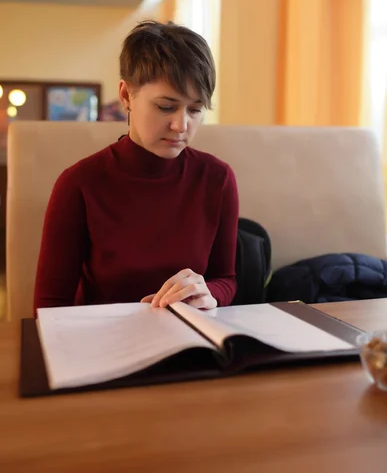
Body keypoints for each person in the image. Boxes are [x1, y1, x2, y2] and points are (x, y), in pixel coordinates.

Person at [33, 21, 239, 314]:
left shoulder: (217, 179)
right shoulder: (79, 184)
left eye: (195, 110)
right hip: (102, 344)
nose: (181, 125)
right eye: (166, 107)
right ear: (127, 95)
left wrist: (209, 293)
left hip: (189, 343)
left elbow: (226, 279)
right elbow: (50, 305)